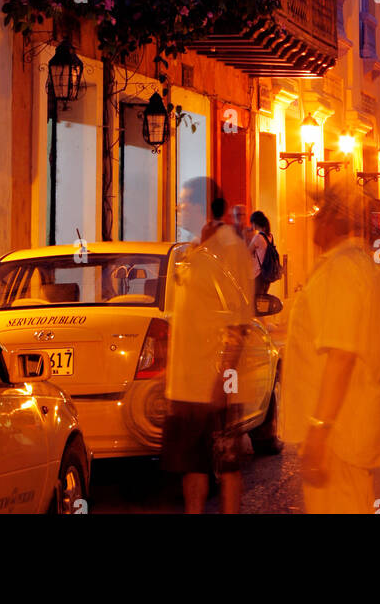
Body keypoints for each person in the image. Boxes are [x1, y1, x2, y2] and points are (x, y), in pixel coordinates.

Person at [280, 180, 380, 514]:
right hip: (351, 429)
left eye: (320, 212)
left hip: (339, 439)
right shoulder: (362, 268)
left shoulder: (342, 271)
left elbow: (341, 357)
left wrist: (319, 430)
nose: (315, 219)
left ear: (334, 220)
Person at [162, 178, 254, 513]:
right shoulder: (191, 251)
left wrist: (223, 380)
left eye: (185, 202)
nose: (179, 208)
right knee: (192, 465)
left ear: (204, 207)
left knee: (226, 464)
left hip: (215, 384)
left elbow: (238, 323)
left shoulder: (230, 249)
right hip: (186, 385)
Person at [249, 210, 272, 296]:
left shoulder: (258, 237)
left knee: (254, 302)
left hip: (258, 275)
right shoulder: (270, 236)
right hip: (267, 275)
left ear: (255, 223)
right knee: (262, 302)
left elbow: (247, 253)